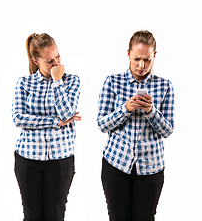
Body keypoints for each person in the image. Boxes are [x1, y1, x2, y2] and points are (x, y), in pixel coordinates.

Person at [97, 30, 176, 221]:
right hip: (116, 166)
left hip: (151, 169)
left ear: (154, 56)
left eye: (147, 60)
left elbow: (168, 130)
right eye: (137, 58)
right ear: (128, 54)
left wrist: (151, 111)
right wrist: (125, 109)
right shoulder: (113, 82)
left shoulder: (165, 86)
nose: (141, 65)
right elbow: (102, 124)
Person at [12, 33, 81, 221]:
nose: (56, 63)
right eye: (50, 61)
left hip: (61, 159)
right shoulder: (24, 83)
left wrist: (58, 81)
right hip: (28, 158)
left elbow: (67, 114)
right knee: (32, 216)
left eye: (58, 56)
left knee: (55, 215)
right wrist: (55, 122)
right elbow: (18, 118)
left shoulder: (71, 81)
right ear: (36, 60)